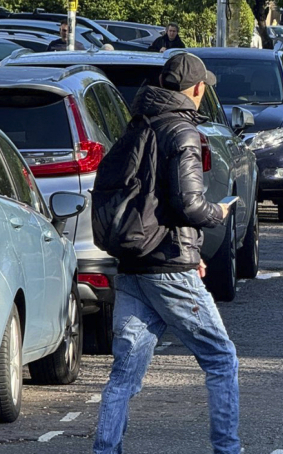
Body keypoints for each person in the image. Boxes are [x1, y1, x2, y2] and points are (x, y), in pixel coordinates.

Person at [92, 54, 239, 454]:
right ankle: (228, 449)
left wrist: (190, 250)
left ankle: (106, 450)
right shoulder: (183, 133)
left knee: (124, 373)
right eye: (203, 85)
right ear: (195, 89)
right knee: (221, 359)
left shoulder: (137, 127)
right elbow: (189, 205)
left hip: (132, 263)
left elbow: (149, 204)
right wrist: (218, 212)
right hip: (168, 267)